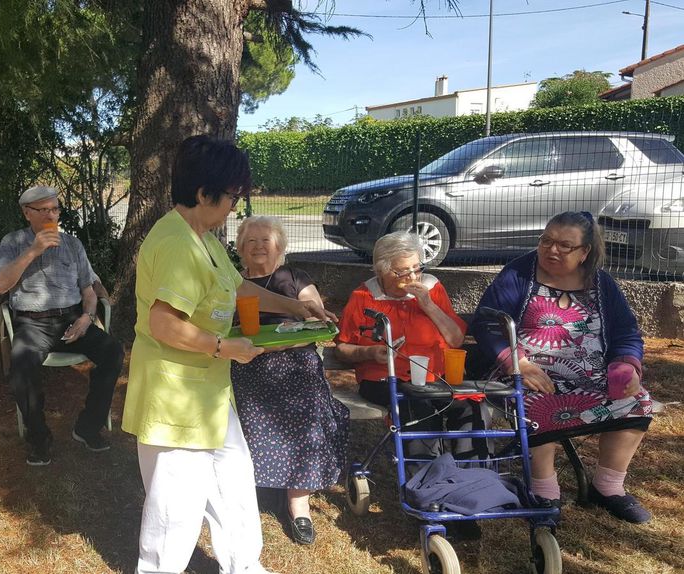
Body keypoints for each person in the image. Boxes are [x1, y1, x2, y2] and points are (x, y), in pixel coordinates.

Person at [122, 135, 336, 574]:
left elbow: (236, 287)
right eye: (233, 198)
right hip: (176, 396)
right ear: (204, 195)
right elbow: (164, 323)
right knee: (174, 507)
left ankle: (244, 565)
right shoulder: (178, 245)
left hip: (210, 393)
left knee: (233, 484)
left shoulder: (202, 236)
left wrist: (295, 305)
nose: (235, 208)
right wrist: (227, 347)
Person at [470, 211, 654, 523]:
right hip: (522, 375)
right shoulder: (519, 274)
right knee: (541, 405)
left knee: (637, 402)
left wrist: (626, 367)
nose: (551, 250)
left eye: (564, 246)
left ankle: (608, 487)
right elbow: (486, 322)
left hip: (591, 379)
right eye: (547, 241)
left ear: (585, 252)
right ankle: (543, 489)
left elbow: (625, 331)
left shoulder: (601, 284)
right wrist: (518, 363)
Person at [230, 216, 349, 546]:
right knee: (240, 415)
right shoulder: (232, 283)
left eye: (265, 240)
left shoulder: (295, 277)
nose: (257, 246)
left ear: (279, 246)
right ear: (240, 247)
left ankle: (298, 504)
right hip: (246, 364)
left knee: (304, 406)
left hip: (295, 361)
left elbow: (319, 325)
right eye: (250, 241)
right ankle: (251, 490)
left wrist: (278, 345)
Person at [0, 185, 124, 466]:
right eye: (44, 210)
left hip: (72, 319)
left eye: (55, 209)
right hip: (32, 323)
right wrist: (33, 251)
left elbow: (89, 292)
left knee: (112, 351)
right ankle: (39, 438)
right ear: (27, 213)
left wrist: (86, 317)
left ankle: (87, 428)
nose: (52, 215)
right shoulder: (12, 242)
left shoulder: (73, 244)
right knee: (21, 369)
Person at [335, 231, 469, 461]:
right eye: (403, 271)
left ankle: (473, 478)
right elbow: (342, 348)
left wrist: (428, 305)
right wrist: (368, 352)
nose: (413, 277)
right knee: (417, 406)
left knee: (471, 408)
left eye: (417, 268)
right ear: (382, 271)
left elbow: (456, 339)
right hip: (384, 380)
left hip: (436, 378)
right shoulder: (364, 296)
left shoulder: (432, 288)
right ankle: (427, 483)